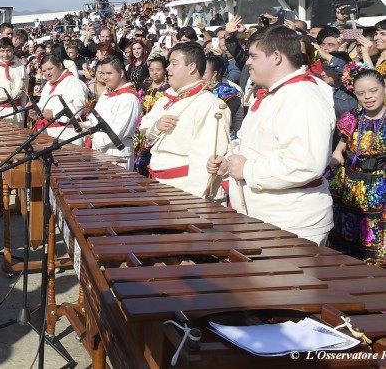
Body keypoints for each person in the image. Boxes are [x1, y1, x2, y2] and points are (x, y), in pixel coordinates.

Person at [206, 26, 335, 244]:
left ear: (276, 57)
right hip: (266, 219)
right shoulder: (274, 93)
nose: (248, 62)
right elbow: (254, 146)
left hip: (290, 223)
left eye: (254, 56)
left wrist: (247, 169)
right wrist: (228, 163)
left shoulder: (302, 97)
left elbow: (305, 163)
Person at [140, 42, 231, 198]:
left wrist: (192, 203)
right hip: (160, 184)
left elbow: (207, 160)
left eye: (174, 64)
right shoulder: (168, 98)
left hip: (184, 191)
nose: (168, 68)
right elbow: (144, 128)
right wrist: (156, 126)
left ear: (192, 67)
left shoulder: (210, 104)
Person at [327, 67, 386, 265]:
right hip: (350, 190)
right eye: (361, 93)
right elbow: (338, 152)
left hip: (381, 191)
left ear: (384, 88)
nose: (368, 97)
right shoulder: (351, 117)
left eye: (373, 91)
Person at [85, 55, 140, 170]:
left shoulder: (129, 99)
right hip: (99, 152)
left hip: (117, 155)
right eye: (103, 73)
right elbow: (94, 118)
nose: (104, 77)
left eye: (109, 73)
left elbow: (118, 132)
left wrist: (93, 135)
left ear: (121, 73)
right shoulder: (106, 93)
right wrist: (85, 127)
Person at [30, 54, 88, 145]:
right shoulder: (48, 85)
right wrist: (36, 111)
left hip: (68, 135)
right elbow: (43, 104)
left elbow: (76, 110)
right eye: (44, 71)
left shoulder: (73, 83)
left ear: (60, 65)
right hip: (48, 134)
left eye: (50, 69)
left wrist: (53, 114)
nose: (47, 73)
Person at [0, 37, 26, 123]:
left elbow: (24, 94)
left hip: (16, 111)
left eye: (8, 50)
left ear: (13, 50)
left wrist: (22, 111)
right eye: (2, 51)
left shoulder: (21, 68)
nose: (5, 54)